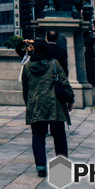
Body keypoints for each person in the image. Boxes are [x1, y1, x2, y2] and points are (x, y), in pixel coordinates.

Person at [21, 39, 73, 177]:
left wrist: (29, 104)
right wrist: (70, 99)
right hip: (54, 106)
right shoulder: (53, 64)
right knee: (59, 137)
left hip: (36, 105)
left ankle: (41, 167)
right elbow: (64, 82)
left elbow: (25, 89)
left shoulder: (27, 67)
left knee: (38, 136)